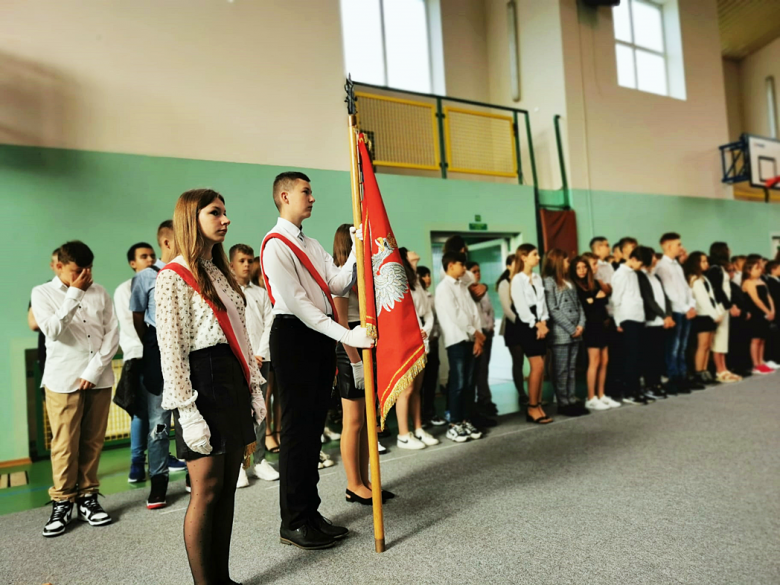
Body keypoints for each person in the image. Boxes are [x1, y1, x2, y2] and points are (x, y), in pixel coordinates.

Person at [156, 189, 266, 584]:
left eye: (225, 212)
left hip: (231, 379)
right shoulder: (172, 276)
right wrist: (187, 412)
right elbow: (172, 350)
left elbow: (241, 336)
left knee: (228, 489)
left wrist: (253, 387)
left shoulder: (217, 271)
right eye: (215, 213)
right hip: (201, 383)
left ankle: (223, 578)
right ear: (192, 218)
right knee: (206, 489)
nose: (226, 219)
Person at [261, 172, 374, 550]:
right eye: (306, 192)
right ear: (284, 195)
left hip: (315, 337)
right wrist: (348, 336)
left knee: (312, 431)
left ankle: (310, 512)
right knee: (295, 432)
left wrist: (356, 253)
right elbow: (301, 306)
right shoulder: (275, 244)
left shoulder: (310, 242)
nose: (312, 198)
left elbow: (337, 284)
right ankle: (293, 521)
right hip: (293, 335)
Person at [31, 241, 119, 537]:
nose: (84, 275)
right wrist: (74, 294)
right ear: (59, 267)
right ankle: (62, 502)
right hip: (62, 379)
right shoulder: (41, 293)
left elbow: (112, 332)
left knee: (92, 442)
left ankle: (88, 498)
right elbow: (53, 331)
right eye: (76, 271)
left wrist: (94, 371)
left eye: (88, 269)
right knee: (65, 443)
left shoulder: (101, 292)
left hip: (99, 378)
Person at [115, 242, 184, 488]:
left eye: (151, 255)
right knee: (142, 413)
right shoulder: (127, 288)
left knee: (161, 415)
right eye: (143, 256)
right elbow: (135, 321)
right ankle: (137, 462)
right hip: (140, 353)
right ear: (132, 262)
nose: (148, 259)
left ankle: (163, 458)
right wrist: (150, 345)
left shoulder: (167, 276)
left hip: (161, 352)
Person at [129, 220, 186, 508]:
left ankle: (193, 475)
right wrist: (154, 344)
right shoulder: (145, 278)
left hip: (186, 355)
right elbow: (138, 318)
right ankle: (159, 481)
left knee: (188, 419)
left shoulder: (188, 271)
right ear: (166, 242)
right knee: (158, 424)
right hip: (156, 356)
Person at [229, 244, 279, 487]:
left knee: (260, 410)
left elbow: (270, 324)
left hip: (262, 359)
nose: (247, 264)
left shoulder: (260, 293)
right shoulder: (225, 292)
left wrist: (259, 354)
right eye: (242, 260)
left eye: (250, 260)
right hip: (237, 361)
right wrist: (246, 356)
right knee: (238, 413)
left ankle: (258, 460)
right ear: (231, 264)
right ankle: (240, 464)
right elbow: (228, 329)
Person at [435, 251, 486, 442]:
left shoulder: (463, 286)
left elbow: (473, 311)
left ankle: (465, 420)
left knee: (469, 383)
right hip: (456, 340)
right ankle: (454, 423)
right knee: (458, 383)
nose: (464, 268)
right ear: (450, 266)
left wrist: (477, 338)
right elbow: (456, 314)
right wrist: (476, 333)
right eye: (461, 264)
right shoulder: (443, 288)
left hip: (471, 339)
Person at [395, 247, 439, 449]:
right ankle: (403, 434)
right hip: (406, 336)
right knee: (407, 387)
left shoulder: (417, 283)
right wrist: (416, 331)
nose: (415, 254)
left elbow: (428, 313)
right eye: (411, 253)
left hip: (422, 336)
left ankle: (418, 428)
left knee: (417, 388)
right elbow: (401, 315)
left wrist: (425, 331)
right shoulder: (399, 283)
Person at [655, 233, 702, 393]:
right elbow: (669, 292)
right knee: (673, 347)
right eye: (678, 245)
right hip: (676, 311)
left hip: (685, 310)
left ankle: (683, 376)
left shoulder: (676, 265)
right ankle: (673, 378)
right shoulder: (662, 266)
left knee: (683, 346)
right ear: (668, 246)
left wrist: (692, 305)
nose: (681, 248)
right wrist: (685, 308)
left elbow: (686, 288)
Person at [571, 255, 620, 410]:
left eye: (584, 267)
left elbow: (602, 301)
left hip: (602, 325)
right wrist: (595, 300)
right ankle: (590, 397)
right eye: (578, 267)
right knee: (594, 361)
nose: (582, 270)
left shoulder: (592, 284)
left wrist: (595, 300)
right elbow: (585, 309)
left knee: (605, 360)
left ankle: (601, 395)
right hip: (590, 328)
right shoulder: (574, 287)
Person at [510, 244, 551, 423]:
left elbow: (541, 302)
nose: (538, 257)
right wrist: (536, 324)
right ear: (524, 257)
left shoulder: (537, 278)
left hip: (539, 322)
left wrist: (544, 322)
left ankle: (539, 404)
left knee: (542, 366)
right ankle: (532, 407)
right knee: (537, 366)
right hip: (526, 324)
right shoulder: (517, 280)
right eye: (535, 254)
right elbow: (521, 307)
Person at [542, 249, 586, 416]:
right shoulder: (549, 282)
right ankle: (563, 402)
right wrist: (571, 328)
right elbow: (552, 309)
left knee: (572, 367)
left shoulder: (569, 281)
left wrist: (581, 324)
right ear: (558, 262)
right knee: (561, 369)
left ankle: (571, 398)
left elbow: (579, 305)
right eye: (567, 261)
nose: (569, 264)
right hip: (561, 332)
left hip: (576, 330)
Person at [635, 247, 675, 399]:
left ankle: (657, 382)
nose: (655, 260)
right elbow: (648, 300)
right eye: (652, 257)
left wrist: (669, 315)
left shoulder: (656, 277)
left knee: (659, 354)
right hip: (651, 321)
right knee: (650, 355)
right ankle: (650, 384)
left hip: (662, 320)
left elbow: (664, 297)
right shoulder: (641, 276)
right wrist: (664, 315)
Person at [612, 248, 649, 405]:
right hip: (627, 318)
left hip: (638, 317)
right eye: (641, 263)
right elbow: (616, 299)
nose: (642, 267)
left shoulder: (633, 273)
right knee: (630, 357)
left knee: (639, 356)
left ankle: (636, 389)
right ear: (633, 259)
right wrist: (617, 321)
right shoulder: (620, 274)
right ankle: (629, 392)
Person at [684, 251, 725, 386]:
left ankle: (705, 370)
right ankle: (698, 372)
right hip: (702, 316)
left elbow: (712, 297)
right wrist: (714, 315)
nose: (706, 264)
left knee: (708, 345)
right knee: (702, 346)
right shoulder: (694, 279)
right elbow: (702, 301)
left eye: (706, 261)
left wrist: (719, 312)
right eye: (703, 261)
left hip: (710, 315)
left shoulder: (704, 278)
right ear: (696, 263)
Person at [467, 261, 498, 418]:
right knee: (480, 368)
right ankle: (484, 400)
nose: (477, 273)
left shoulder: (484, 289)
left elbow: (489, 310)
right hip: (478, 334)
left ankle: (485, 398)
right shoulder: (469, 291)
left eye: (479, 270)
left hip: (488, 331)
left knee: (485, 368)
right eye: (474, 271)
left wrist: (492, 325)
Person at [707, 243, 742, 382]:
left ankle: (724, 367)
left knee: (723, 339)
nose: (730, 250)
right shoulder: (715, 269)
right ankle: (719, 370)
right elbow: (717, 290)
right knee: (719, 339)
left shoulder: (721, 267)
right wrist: (728, 305)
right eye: (728, 249)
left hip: (725, 306)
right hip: (720, 307)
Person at [497, 254, 528, 407]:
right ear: (508, 266)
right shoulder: (504, 283)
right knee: (518, 361)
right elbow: (507, 309)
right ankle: (522, 393)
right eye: (515, 264)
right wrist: (522, 322)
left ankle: (534, 393)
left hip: (527, 324)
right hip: (514, 325)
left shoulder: (523, 280)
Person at [417, 265, 445, 426]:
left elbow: (435, 318)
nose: (428, 278)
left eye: (429, 275)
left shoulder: (431, 296)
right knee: (421, 382)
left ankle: (430, 411)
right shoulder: (417, 296)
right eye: (424, 275)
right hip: (421, 343)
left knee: (431, 380)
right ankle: (422, 415)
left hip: (433, 341)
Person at [741, 257, 776, 374]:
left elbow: (768, 297)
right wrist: (767, 311)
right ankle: (755, 364)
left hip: (765, 314)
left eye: (760, 268)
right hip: (756, 313)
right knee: (755, 339)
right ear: (749, 270)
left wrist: (772, 310)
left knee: (762, 339)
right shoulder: (748, 283)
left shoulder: (761, 281)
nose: (759, 270)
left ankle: (761, 361)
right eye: (756, 268)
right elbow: (756, 300)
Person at [765, 260, 780, 368]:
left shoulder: (777, 280)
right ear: (773, 269)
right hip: (776, 310)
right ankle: (773, 358)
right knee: (774, 335)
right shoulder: (770, 281)